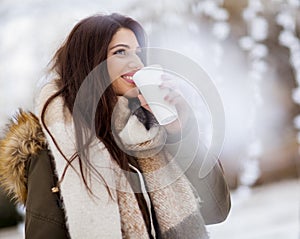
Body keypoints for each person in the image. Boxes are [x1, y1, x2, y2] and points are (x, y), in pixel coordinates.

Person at [0, 13, 230, 239]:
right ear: (90, 62)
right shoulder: (53, 148)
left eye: (138, 53)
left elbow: (217, 209)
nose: (136, 63)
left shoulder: (150, 133)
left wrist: (181, 131)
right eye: (120, 52)